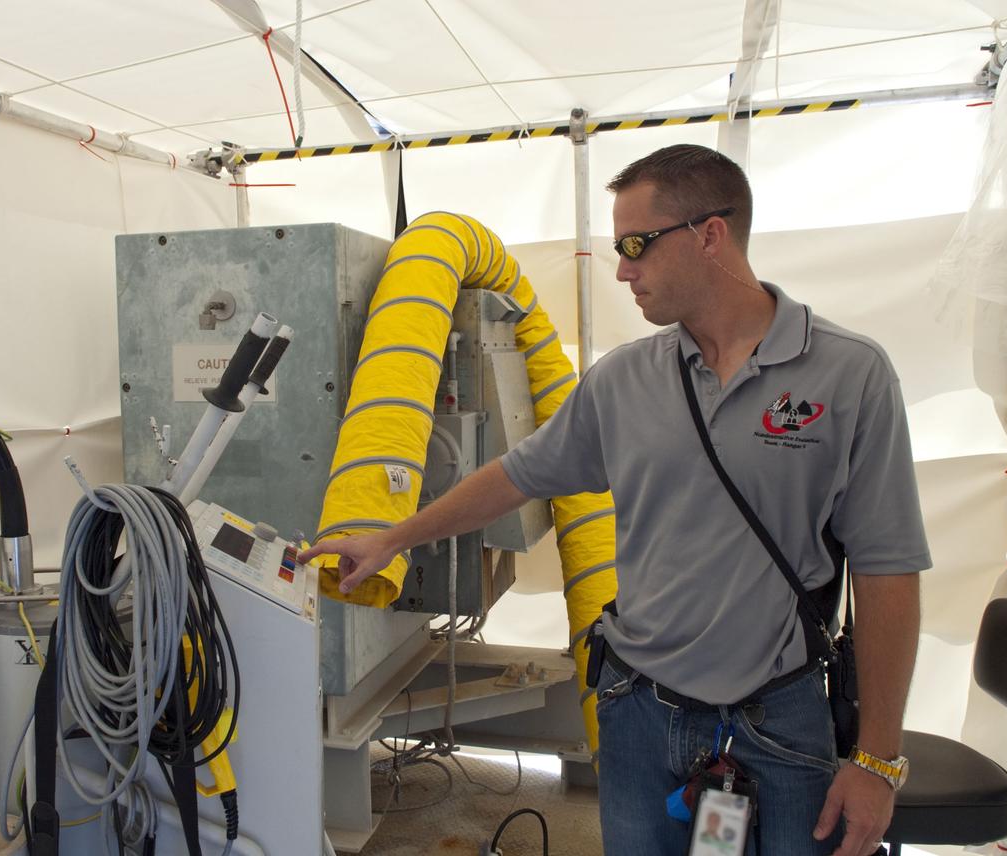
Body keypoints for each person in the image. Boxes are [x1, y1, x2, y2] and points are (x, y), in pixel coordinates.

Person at [299, 144, 928, 856]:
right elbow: (517, 476)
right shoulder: (625, 380)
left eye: (636, 245)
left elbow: (888, 570)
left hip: (780, 719)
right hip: (639, 714)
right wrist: (390, 539)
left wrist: (876, 759)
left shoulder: (849, 375)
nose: (623, 269)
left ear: (709, 235)